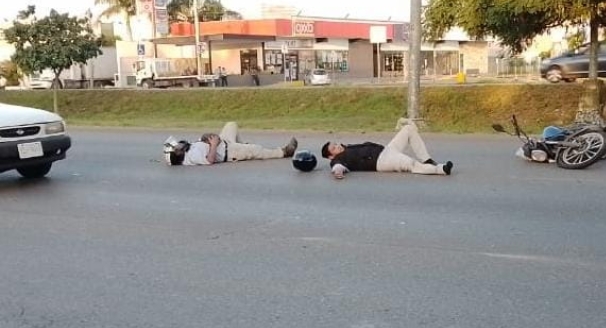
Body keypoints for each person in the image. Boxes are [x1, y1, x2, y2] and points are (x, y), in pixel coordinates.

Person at [321, 120, 453, 179]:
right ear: (331, 156)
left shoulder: (346, 148)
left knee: (408, 130)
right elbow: (337, 167)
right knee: (410, 164)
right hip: (382, 161)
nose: (337, 146)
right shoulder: (338, 160)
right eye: (334, 148)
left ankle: (427, 160)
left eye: (336, 144)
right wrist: (337, 172)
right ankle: (441, 169)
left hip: (386, 150)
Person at [165, 121, 297, 166]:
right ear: (178, 154)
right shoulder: (191, 157)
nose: (178, 144)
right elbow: (210, 160)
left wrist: (205, 138)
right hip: (227, 152)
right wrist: (213, 144)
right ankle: (284, 152)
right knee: (257, 150)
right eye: (176, 147)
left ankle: (244, 147)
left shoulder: (189, 149)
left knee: (231, 125)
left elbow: (201, 144)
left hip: (224, 142)